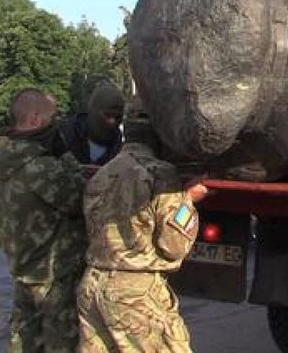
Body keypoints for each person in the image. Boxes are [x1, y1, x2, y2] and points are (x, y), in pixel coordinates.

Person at [77, 105, 208, 353]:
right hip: (134, 292)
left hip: (92, 285)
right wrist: (186, 202)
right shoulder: (159, 174)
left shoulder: (102, 173)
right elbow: (173, 246)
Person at [0, 88, 88, 352]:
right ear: (34, 119)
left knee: (24, 340)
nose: (56, 124)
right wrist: (66, 156)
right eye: (52, 117)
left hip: (23, 270)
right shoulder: (40, 167)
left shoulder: (5, 160)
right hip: (52, 275)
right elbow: (79, 199)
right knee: (61, 342)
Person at [57, 82, 126, 167]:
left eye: (118, 117)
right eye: (108, 115)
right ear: (93, 111)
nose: (112, 122)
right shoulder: (62, 135)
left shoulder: (119, 146)